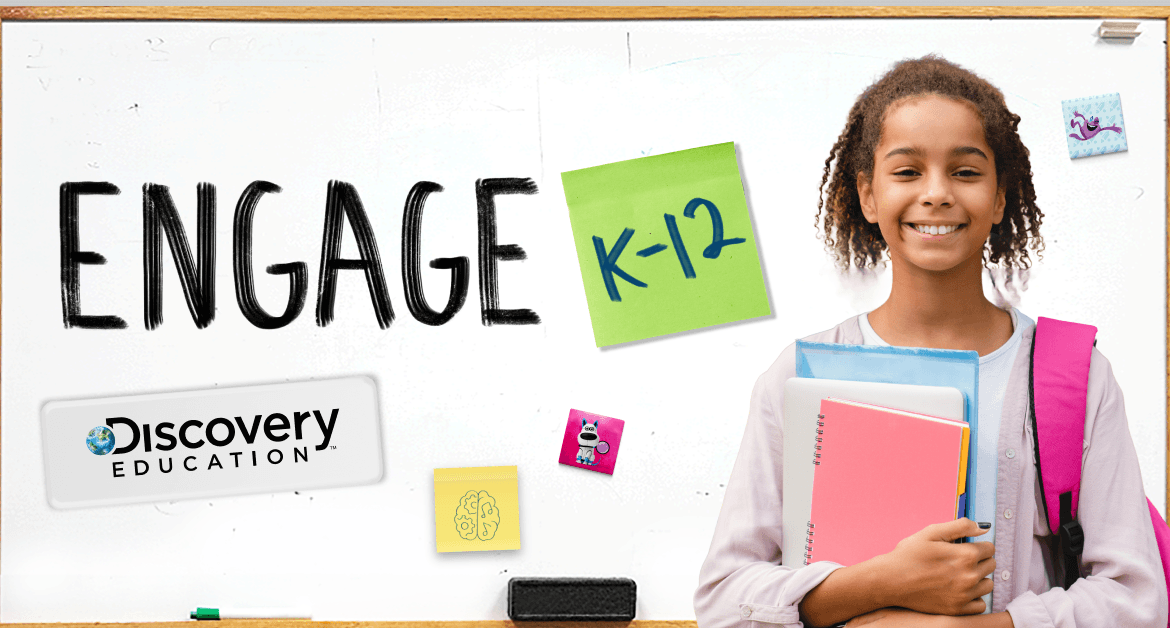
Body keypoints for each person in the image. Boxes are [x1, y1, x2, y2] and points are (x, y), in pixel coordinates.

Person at [693, 55, 1167, 628]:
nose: (937, 193)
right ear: (868, 195)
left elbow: (1136, 599)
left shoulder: (1076, 375)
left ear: (999, 197)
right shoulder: (799, 375)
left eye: (966, 172)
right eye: (907, 171)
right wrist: (884, 581)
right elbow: (723, 602)